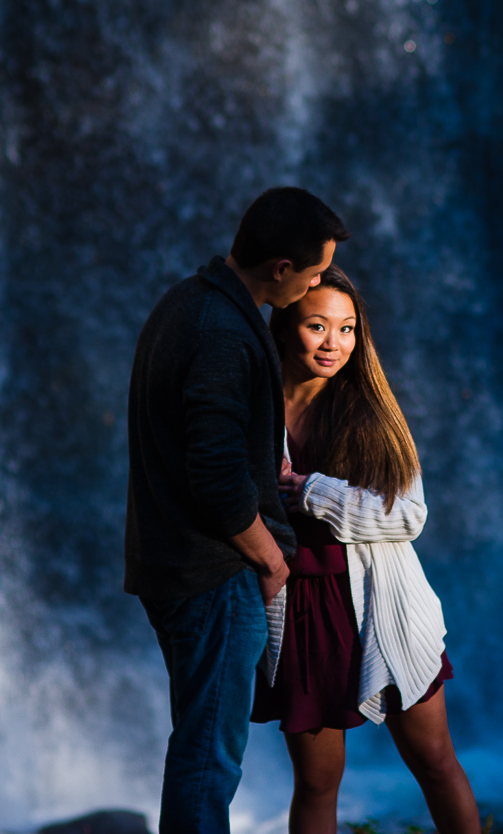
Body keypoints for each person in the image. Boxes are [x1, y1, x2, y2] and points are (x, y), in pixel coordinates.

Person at [124, 186, 351, 834]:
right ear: (280, 268)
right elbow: (218, 478)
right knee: (209, 758)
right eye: (311, 273)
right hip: (213, 577)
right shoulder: (225, 333)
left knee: (201, 746)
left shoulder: (186, 302)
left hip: (170, 565)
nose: (313, 286)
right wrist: (272, 560)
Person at [255, 265, 481, 834]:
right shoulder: (250, 410)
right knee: (316, 783)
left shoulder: (368, 411)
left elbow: (409, 513)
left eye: (347, 328)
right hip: (299, 608)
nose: (335, 343)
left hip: (385, 606)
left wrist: (310, 490)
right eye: (317, 326)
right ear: (283, 326)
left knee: (433, 762)